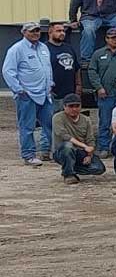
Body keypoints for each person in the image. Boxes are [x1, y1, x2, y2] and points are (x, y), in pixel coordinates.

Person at [4, 21, 53, 166]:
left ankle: (53, 151)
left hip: (45, 94)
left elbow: (47, 68)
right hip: (27, 95)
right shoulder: (16, 49)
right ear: (24, 32)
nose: (35, 33)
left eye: (37, 30)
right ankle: (29, 155)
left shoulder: (44, 47)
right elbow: (8, 71)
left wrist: (50, 84)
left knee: (50, 124)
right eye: (32, 31)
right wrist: (19, 90)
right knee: (27, 126)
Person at [87, 27, 116, 154]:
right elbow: (91, 71)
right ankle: (104, 148)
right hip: (105, 95)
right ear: (106, 39)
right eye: (112, 38)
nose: (115, 40)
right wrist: (99, 87)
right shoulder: (98, 54)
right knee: (104, 123)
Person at [52, 94, 105, 184]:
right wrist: (84, 146)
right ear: (64, 106)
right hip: (62, 151)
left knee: (99, 168)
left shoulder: (86, 119)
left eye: (77, 106)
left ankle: (70, 167)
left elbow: (90, 139)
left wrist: (89, 155)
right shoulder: (58, 117)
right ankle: (68, 174)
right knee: (68, 146)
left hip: (80, 152)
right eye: (71, 106)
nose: (74, 109)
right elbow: (64, 136)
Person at [45, 21, 81, 109]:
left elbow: (76, 68)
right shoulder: (44, 49)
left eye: (63, 31)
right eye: (58, 31)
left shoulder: (69, 48)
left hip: (70, 94)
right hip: (53, 95)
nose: (62, 33)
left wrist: (78, 85)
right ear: (50, 32)